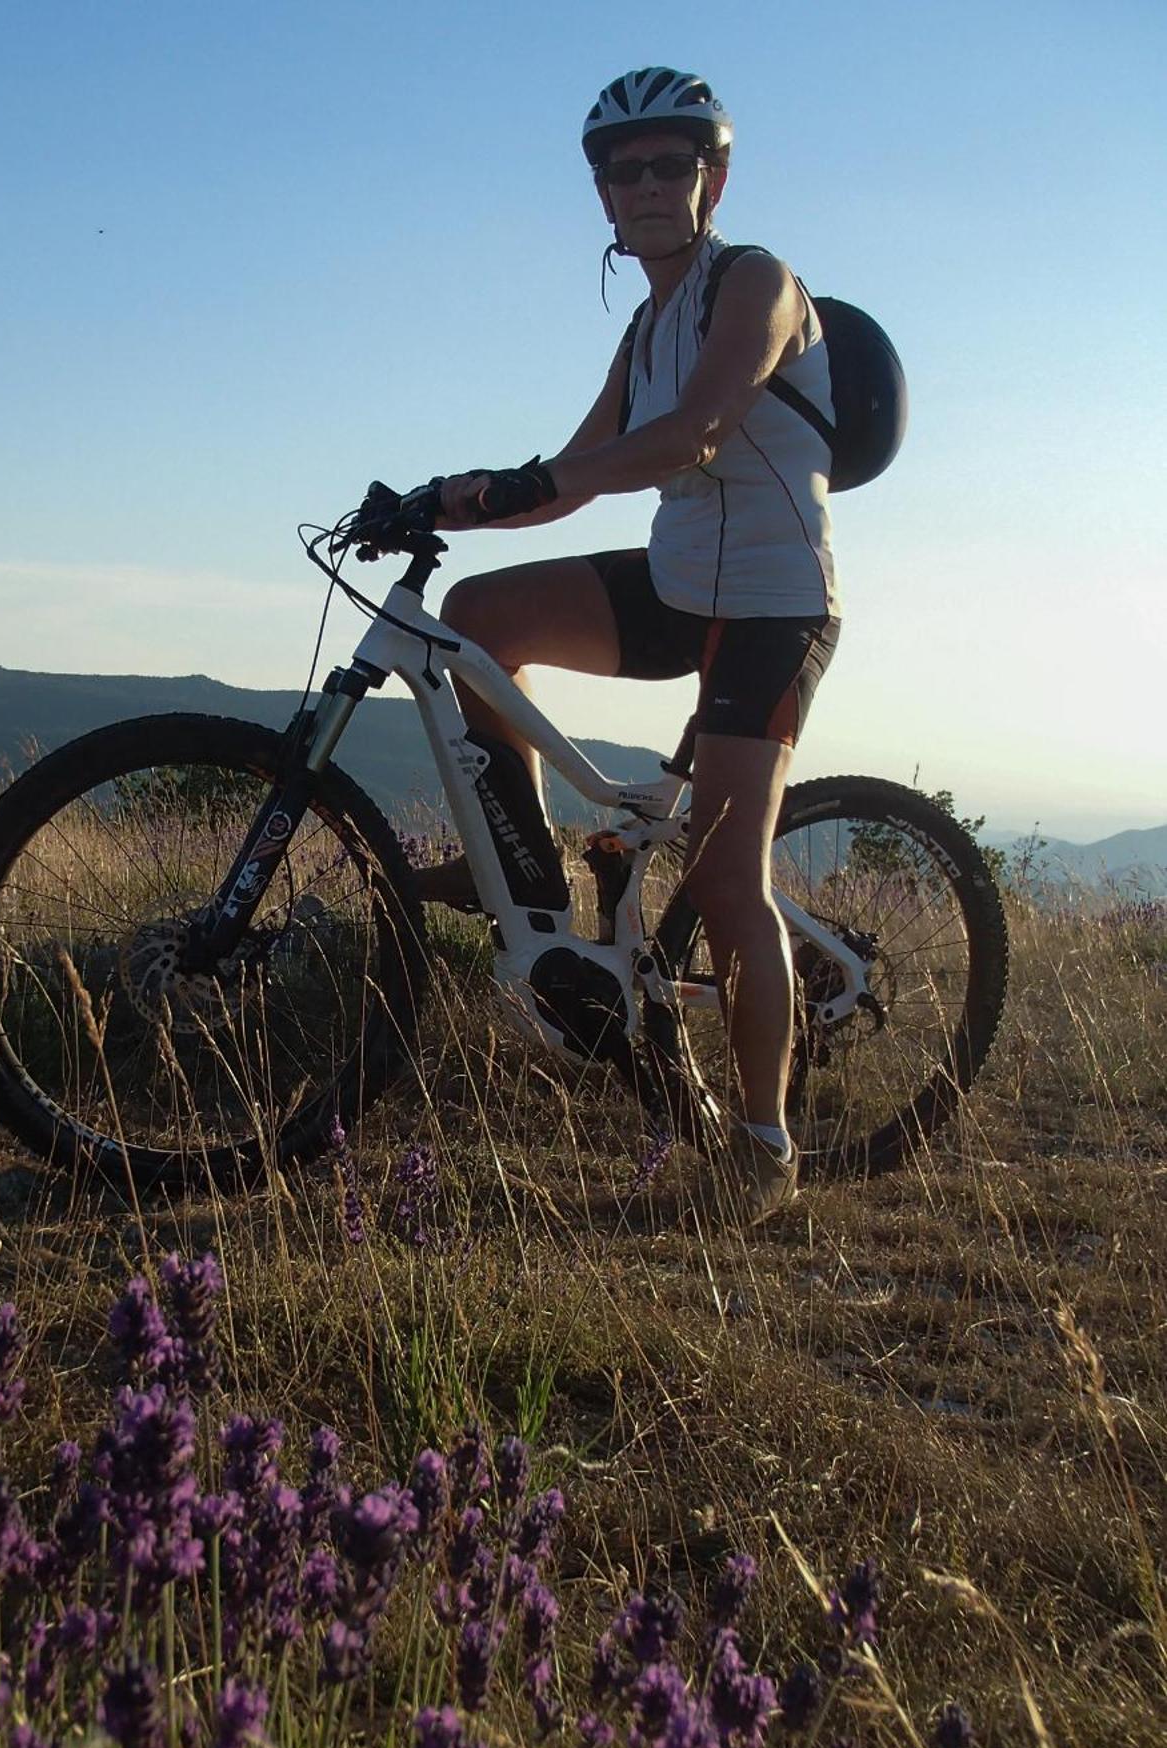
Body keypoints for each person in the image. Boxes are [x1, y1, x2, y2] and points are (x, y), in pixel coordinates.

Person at [411, 66, 842, 1222]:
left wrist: (532, 480)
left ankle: (763, 1145)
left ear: (715, 175)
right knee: (481, 617)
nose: (646, 184)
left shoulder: (755, 284)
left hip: (770, 603)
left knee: (720, 872)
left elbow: (696, 427)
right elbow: (569, 478)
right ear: (601, 194)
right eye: (623, 169)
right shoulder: (646, 321)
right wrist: (444, 501)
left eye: (670, 162)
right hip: (672, 585)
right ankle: (529, 862)